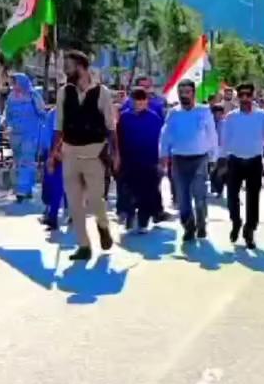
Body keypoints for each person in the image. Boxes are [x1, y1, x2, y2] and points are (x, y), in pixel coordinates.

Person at [50, 51, 117, 262]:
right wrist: (53, 154)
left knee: (97, 201)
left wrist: (116, 153)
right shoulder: (63, 92)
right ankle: (84, 245)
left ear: (81, 66)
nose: (64, 70)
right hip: (70, 153)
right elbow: (59, 126)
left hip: (94, 153)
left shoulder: (101, 92)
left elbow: (110, 126)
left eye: (68, 65)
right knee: (75, 204)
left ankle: (103, 225)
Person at [159, 79, 219, 243]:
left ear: (193, 93)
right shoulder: (173, 113)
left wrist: (214, 157)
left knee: (199, 196)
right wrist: (163, 155)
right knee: (182, 198)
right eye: (181, 92)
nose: (184, 95)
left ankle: (201, 223)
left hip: (199, 159)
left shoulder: (204, 111)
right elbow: (165, 136)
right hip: (179, 160)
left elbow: (212, 135)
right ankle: (188, 226)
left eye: (187, 92)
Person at [220, 83, 264, 249]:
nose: (244, 98)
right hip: (234, 161)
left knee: (253, 198)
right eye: (241, 95)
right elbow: (224, 140)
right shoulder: (230, 117)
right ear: (237, 97)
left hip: (254, 161)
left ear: (253, 96)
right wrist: (220, 161)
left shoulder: (262, 116)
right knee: (231, 197)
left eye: (248, 95)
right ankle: (236, 222)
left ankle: (249, 230)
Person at [117, 86, 165, 233]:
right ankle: (129, 215)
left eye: (142, 101)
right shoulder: (124, 117)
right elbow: (118, 139)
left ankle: (143, 221)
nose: (139, 105)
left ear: (146, 102)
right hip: (129, 161)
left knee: (147, 192)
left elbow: (161, 140)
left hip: (149, 162)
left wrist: (162, 161)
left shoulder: (154, 118)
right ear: (131, 101)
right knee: (128, 191)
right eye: (136, 101)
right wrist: (117, 157)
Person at [2, 73, 46, 202]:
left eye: (15, 82)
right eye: (12, 82)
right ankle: (25, 188)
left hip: (30, 134)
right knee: (18, 161)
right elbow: (7, 113)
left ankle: (22, 190)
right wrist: (4, 124)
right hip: (15, 135)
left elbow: (42, 112)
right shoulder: (11, 97)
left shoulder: (33, 95)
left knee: (27, 161)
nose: (13, 85)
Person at [39, 88, 66, 229]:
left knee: (60, 185)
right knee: (57, 185)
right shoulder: (54, 114)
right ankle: (53, 215)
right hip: (59, 153)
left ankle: (56, 215)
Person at [208, 103, 228, 198]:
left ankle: (219, 190)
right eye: (216, 113)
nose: (218, 115)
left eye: (220, 113)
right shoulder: (210, 124)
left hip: (223, 152)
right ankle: (215, 187)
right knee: (212, 172)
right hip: (212, 152)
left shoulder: (225, 124)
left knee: (220, 172)